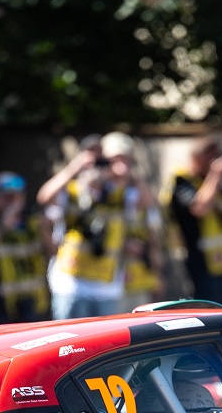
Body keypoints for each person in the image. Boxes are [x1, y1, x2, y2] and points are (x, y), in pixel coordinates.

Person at [37, 131, 162, 321]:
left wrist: (124, 171)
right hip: (71, 284)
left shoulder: (120, 193)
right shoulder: (73, 190)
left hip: (106, 287)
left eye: (104, 162)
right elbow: (44, 197)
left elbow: (147, 202)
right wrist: (75, 167)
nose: (98, 167)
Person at [166, 135, 222, 306]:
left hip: (220, 262)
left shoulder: (212, 184)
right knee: (208, 309)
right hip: (199, 262)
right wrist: (216, 175)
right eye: (211, 157)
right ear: (197, 158)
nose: (214, 162)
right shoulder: (182, 182)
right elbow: (199, 208)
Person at [0, 171, 52, 322]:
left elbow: (53, 252)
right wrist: (3, 227)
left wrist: (44, 230)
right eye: (6, 197)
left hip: (34, 306)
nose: (12, 202)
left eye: (16, 197)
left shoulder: (33, 223)